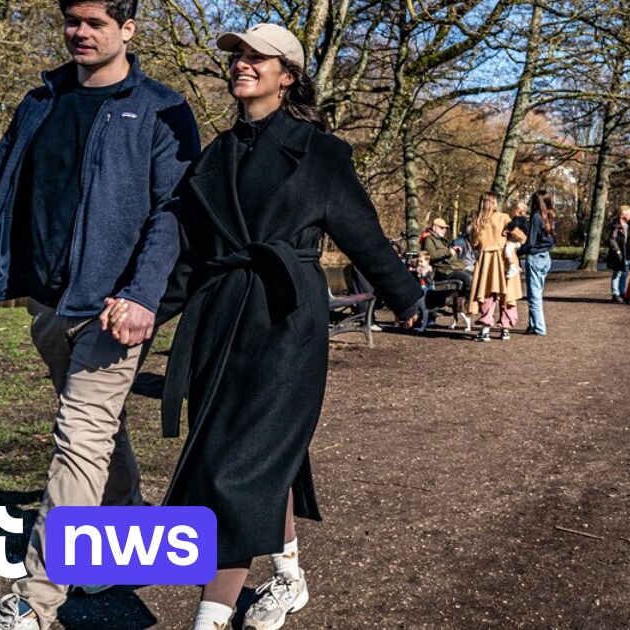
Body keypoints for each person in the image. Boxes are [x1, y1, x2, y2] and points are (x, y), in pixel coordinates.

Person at [0, 1, 199, 627]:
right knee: (98, 431)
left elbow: (173, 211)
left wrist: (144, 295)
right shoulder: (39, 102)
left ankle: (35, 602)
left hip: (112, 308)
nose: (81, 32)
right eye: (73, 19)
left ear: (127, 29)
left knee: (78, 441)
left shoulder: (162, 108)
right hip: (46, 303)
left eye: (96, 21)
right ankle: (123, 545)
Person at [132, 24, 421, 630]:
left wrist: (404, 294)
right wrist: (143, 313)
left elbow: (361, 231)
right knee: (255, 458)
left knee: (233, 469)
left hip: (287, 322)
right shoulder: (214, 155)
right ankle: (289, 575)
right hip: (220, 322)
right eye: (237, 56)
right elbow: (193, 258)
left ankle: (210, 618)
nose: (242, 64)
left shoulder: (320, 153)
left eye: (256, 57)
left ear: (286, 75)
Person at [467, 192, 525, 341]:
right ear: (494, 203)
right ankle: (505, 329)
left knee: (487, 294)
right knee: (508, 293)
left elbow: (473, 243)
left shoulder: (477, 222)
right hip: (505, 258)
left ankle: (485, 330)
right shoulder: (503, 217)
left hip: (487, 261)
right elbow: (521, 237)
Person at [520, 190, 556, 335]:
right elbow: (553, 240)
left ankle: (539, 327)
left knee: (534, 295)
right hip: (546, 257)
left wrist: (517, 251)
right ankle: (533, 325)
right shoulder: (551, 216)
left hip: (534, 257)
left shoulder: (536, 217)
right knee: (537, 292)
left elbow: (531, 242)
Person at [421, 217, 472, 296]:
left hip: (452, 268)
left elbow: (446, 252)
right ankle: (469, 304)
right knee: (468, 278)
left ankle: (462, 302)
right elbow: (431, 255)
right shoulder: (429, 239)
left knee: (474, 274)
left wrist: (453, 249)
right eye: (442, 228)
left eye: (445, 228)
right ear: (434, 227)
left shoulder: (440, 239)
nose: (444, 230)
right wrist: (449, 251)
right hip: (444, 271)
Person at [607, 205, 630, 302]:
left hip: (626, 253)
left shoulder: (628, 225)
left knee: (625, 273)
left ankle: (622, 292)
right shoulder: (616, 225)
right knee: (617, 273)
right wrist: (618, 251)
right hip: (618, 253)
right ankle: (615, 293)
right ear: (624, 214)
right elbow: (612, 240)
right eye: (629, 213)